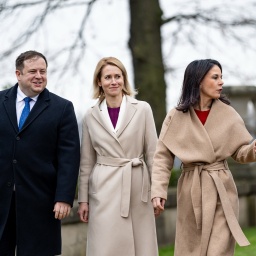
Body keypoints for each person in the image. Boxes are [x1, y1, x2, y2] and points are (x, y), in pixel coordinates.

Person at [151, 59, 256, 256]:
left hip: (222, 189)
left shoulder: (228, 114)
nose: (221, 82)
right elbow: (162, 158)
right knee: (192, 250)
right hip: (191, 190)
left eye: (221, 77)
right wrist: (158, 191)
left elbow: (239, 152)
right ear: (198, 81)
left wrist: (252, 150)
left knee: (219, 250)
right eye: (215, 77)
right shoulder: (176, 116)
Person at [0, 50, 80, 256]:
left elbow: (69, 159)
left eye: (43, 71)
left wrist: (63, 197)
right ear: (18, 74)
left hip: (41, 200)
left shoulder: (62, 108)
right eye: (32, 71)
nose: (39, 76)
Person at [77, 57, 158, 256]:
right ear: (99, 81)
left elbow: (153, 154)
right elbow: (87, 161)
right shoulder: (90, 115)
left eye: (118, 76)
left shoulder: (143, 109)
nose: (113, 81)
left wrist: (158, 191)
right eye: (108, 77)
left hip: (137, 184)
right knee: (104, 245)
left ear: (124, 79)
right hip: (103, 188)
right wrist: (83, 200)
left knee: (142, 244)